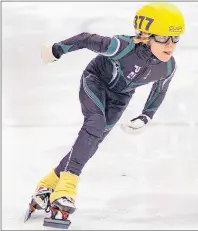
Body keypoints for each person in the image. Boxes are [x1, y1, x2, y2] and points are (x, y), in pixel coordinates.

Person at [29, 2, 185, 220]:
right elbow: (85, 38)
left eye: (175, 38)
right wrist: (55, 50)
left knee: (93, 140)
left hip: (120, 97)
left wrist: (146, 115)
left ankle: (47, 185)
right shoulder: (122, 46)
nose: (170, 45)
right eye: (162, 38)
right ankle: (67, 189)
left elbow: (159, 91)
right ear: (145, 36)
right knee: (95, 124)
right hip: (95, 81)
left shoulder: (168, 66)